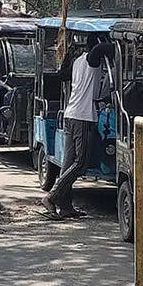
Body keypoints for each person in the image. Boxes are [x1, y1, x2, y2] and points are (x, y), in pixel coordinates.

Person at [42, 42, 113, 218]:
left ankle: (65, 206)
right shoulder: (91, 59)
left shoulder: (78, 61)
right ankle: (51, 197)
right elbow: (102, 48)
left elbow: (63, 75)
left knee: (68, 163)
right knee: (80, 163)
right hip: (83, 117)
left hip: (71, 114)